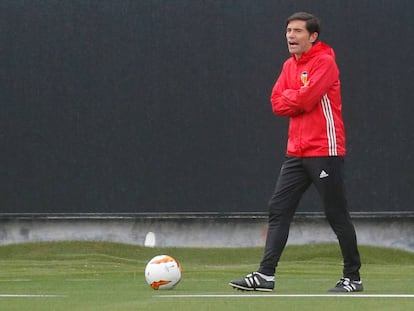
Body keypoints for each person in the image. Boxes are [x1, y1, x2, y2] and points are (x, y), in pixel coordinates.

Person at [229, 12, 363, 293]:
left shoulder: (325, 62)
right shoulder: (289, 66)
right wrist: (295, 98)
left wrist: (294, 97)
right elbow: (277, 103)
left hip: (324, 149)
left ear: (313, 36)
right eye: (289, 30)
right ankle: (266, 275)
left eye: (298, 31)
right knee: (278, 208)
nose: (291, 36)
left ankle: (353, 277)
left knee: (336, 213)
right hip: (296, 152)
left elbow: (306, 99)